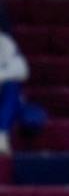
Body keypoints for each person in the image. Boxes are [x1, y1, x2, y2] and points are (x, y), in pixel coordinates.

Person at [0, 26, 28, 156]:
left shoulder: (5, 42)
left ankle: (1, 134)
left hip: (4, 96)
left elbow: (22, 70)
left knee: (12, 86)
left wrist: (1, 76)